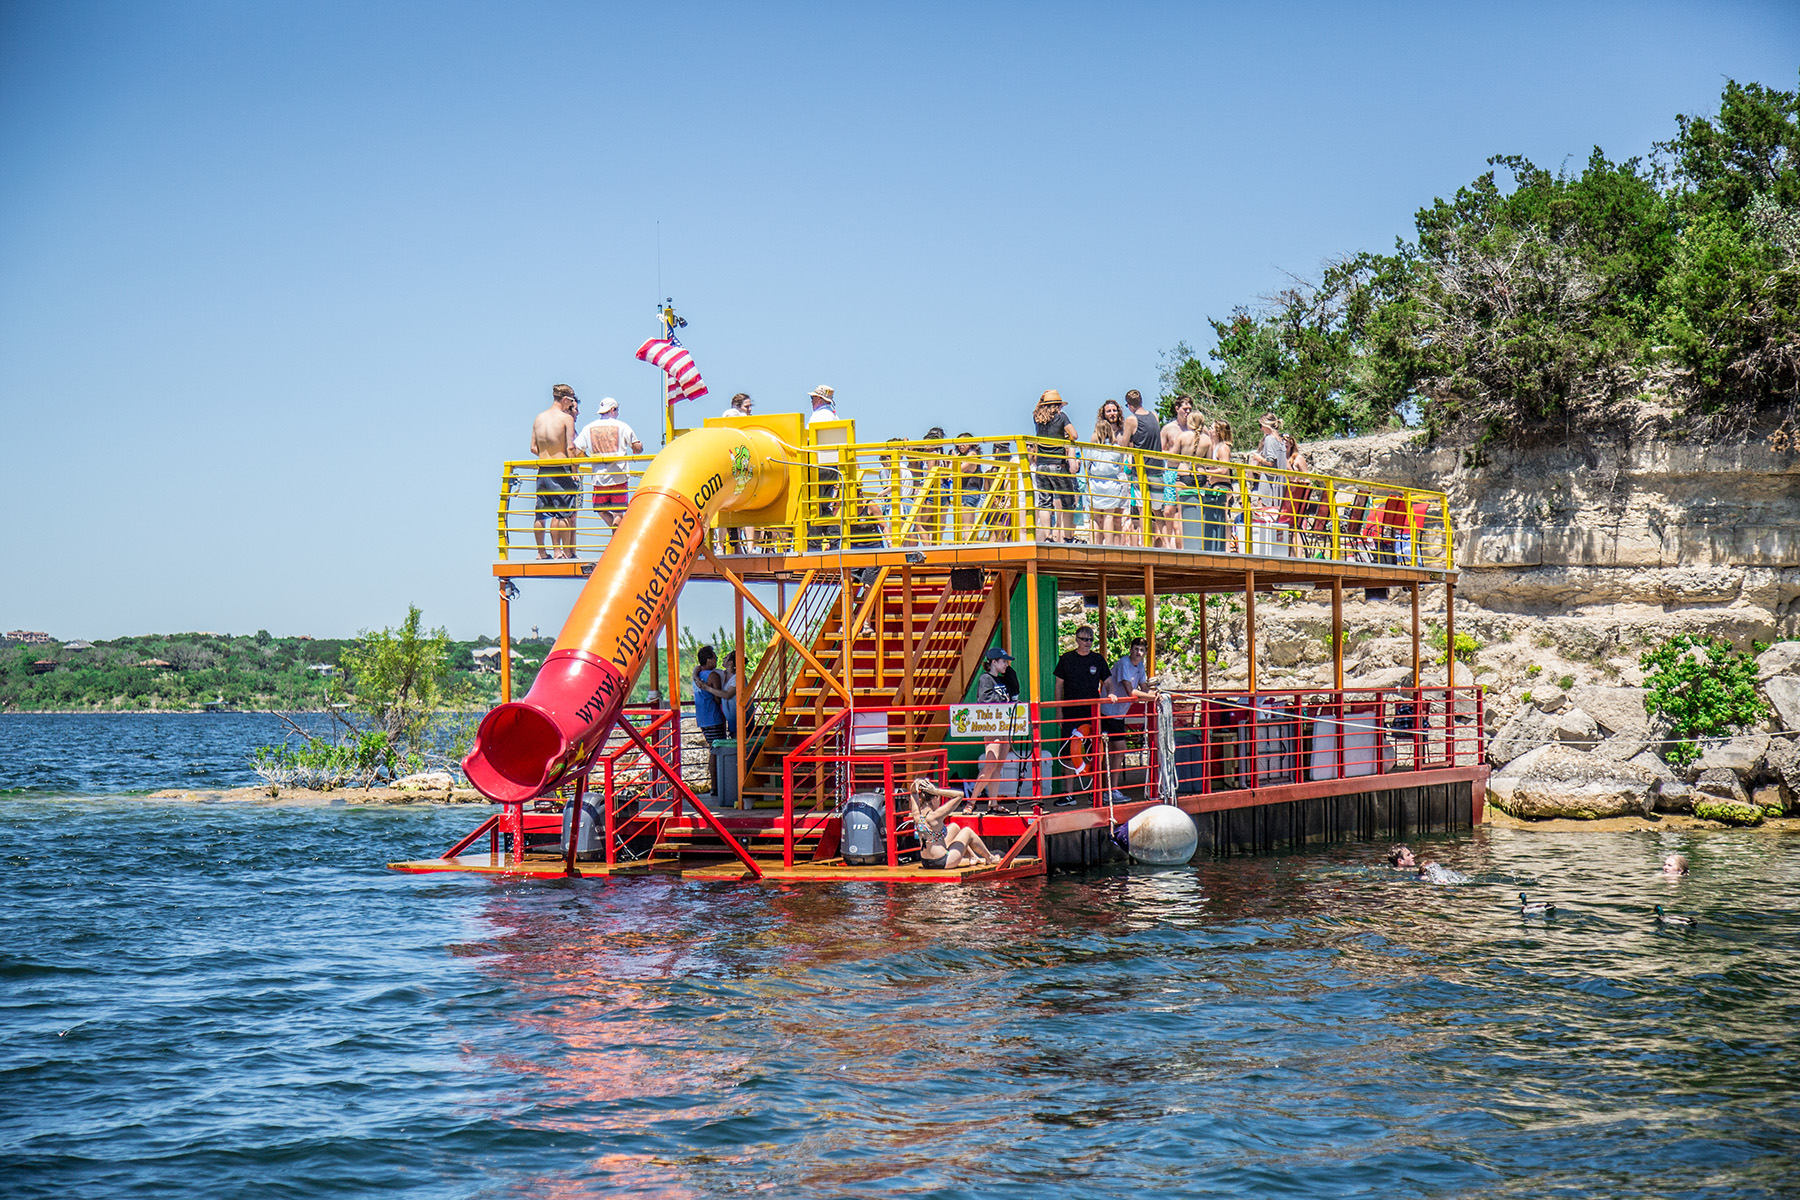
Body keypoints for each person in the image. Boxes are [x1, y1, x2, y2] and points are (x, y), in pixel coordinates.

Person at [1052, 625, 1110, 806]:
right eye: (1085, 639)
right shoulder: (1066, 659)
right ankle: (1068, 793)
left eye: (1091, 640)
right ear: (1077, 639)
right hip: (1071, 711)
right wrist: (1058, 710)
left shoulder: (1098, 659)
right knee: (1068, 751)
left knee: (1095, 752)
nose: (1088, 643)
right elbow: (1059, 685)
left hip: (1091, 712)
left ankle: (1095, 791)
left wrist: (1110, 695)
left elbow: (1107, 681)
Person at [574, 397, 644, 532]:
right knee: (619, 512)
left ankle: (617, 530)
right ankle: (618, 532)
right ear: (612, 409)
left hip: (599, 477)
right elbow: (638, 448)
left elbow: (576, 450)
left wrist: (589, 458)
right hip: (619, 476)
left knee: (600, 509)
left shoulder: (589, 428)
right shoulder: (623, 426)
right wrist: (638, 446)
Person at [530, 384, 582, 560]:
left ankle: (541, 552)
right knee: (563, 512)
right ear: (566, 399)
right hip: (560, 469)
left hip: (542, 469)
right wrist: (573, 469)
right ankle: (563, 552)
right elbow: (570, 447)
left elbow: (533, 447)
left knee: (541, 513)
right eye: (571, 400)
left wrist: (546, 455)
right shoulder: (566, 419)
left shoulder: (539, 418)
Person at [966, 646, 1021, 810]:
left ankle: (994, 803)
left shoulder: (1002, 680)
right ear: (993, 662)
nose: (1006, 665)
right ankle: (972, 802)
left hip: (1004, 727)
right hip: (991, 726)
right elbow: (985, 699)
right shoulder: (986, 679)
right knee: (991, 764)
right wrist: (1004, 699)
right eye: (1003, 661)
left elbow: (1014, 690)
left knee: (999, 766)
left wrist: (1009, 673)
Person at [1101, 637, 1154, 802]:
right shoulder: (1124, 663)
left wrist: (1153, 693)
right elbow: (1130, 691)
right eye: (1136, 649)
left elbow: (1144, 687)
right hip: (1109, 712)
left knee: (1112, 752)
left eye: (1142, 650)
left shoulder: (1140, 666)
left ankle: (1106, 789)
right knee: (1119, 750)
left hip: (1119, 714)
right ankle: (1111, 791)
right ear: (1130, 649)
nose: (1138, 652)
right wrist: (1152, 697)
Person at [909, 777, 1002, 869]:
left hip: (926, 861)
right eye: (939, 798)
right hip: (942, 861)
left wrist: (916, 782)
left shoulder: (917, 815)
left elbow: (913, 792)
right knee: (967, 831)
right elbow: (960, 795)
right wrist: (936, 791)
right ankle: (990, 858)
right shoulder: (935, 815)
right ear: (935, 798)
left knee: (954, 827)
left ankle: (972, 857)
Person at [1030, 390, 1080, 542]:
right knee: (1068, 501)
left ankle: (1048, 536)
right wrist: (1066, 438)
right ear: (1058, 405)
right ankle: (1068, 536)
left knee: (1045, 502)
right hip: (1057, 464)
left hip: (1041, 465)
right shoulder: (1061, 417)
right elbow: (1075, 435)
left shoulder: (1037, 419)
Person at [1085, 403, 1133, 546]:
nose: (1112, 413)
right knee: (1108, 517)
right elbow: (1119, 465)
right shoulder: (1116, 448)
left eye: (1114, 410)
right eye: (1109, 411)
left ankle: (1094, 545)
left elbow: (1088, 464)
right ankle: (1110, 545)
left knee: (1095, 517)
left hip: (1095, 483)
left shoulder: (1092, 448)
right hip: (1112, 482)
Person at [1157, 395, 1197, 548]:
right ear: (1177, 409)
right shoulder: (1169, 428)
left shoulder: (1196, 428)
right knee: (1168, 510)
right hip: (1172, 470)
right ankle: (1168, 545)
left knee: (1183, 511)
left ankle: (1183, 546)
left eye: (1189, 409)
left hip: (1189, 472)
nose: (1187, 412)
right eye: (1184, 409)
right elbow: (1160, 449)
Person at [691, 646, 730, 790]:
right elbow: (718, 698)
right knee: (717, 751)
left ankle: (714, 785)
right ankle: (716, 785)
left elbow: (695, 669)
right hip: (713, 717)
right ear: (708, 660)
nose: (717, 660)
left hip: (703, 717)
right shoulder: (712, 676)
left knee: (713, 749)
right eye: (714, 658)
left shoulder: (698, 676)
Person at [1201, 419, 1235, 552]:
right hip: (1213, 485)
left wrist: (1207, 471)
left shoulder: (1223, 448)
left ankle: (1226, 547)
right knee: (1216, 515)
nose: (1209, 430)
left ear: (1218, 432)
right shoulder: (1212, 447)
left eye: (1212, 428)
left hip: (1222, 485)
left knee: (1224, 515)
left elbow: (1224, 469)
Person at [1247, 412, 1288, 503]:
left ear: (1266, 425)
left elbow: (1270, 462)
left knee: (1263, 508)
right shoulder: (1281, 441)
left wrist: (1259, 458)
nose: (1261, 428)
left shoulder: (1269, 439)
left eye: (1260, 425)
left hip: (1269, 482)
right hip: (1280, 483)